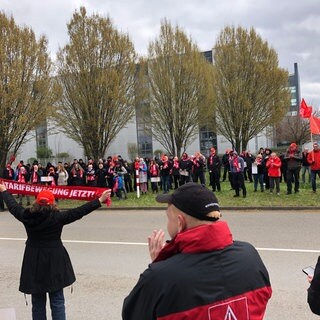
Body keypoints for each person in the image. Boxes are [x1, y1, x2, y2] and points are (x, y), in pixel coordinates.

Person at [122, 183, 272, 319]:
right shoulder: (250, 256)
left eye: (169, 218)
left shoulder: (159, 278)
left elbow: (132, 314)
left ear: (180, 223)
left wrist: (160, 268)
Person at [0, 183, 110, 320]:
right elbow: (79, 211)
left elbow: (13, 206)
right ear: (52, 203)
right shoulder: (58, 218)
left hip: (34, 261)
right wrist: (99, 200)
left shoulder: (26, 216)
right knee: (57, 300)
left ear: (36, 202)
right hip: (55, 260)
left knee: (38, 301)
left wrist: (4, 191)